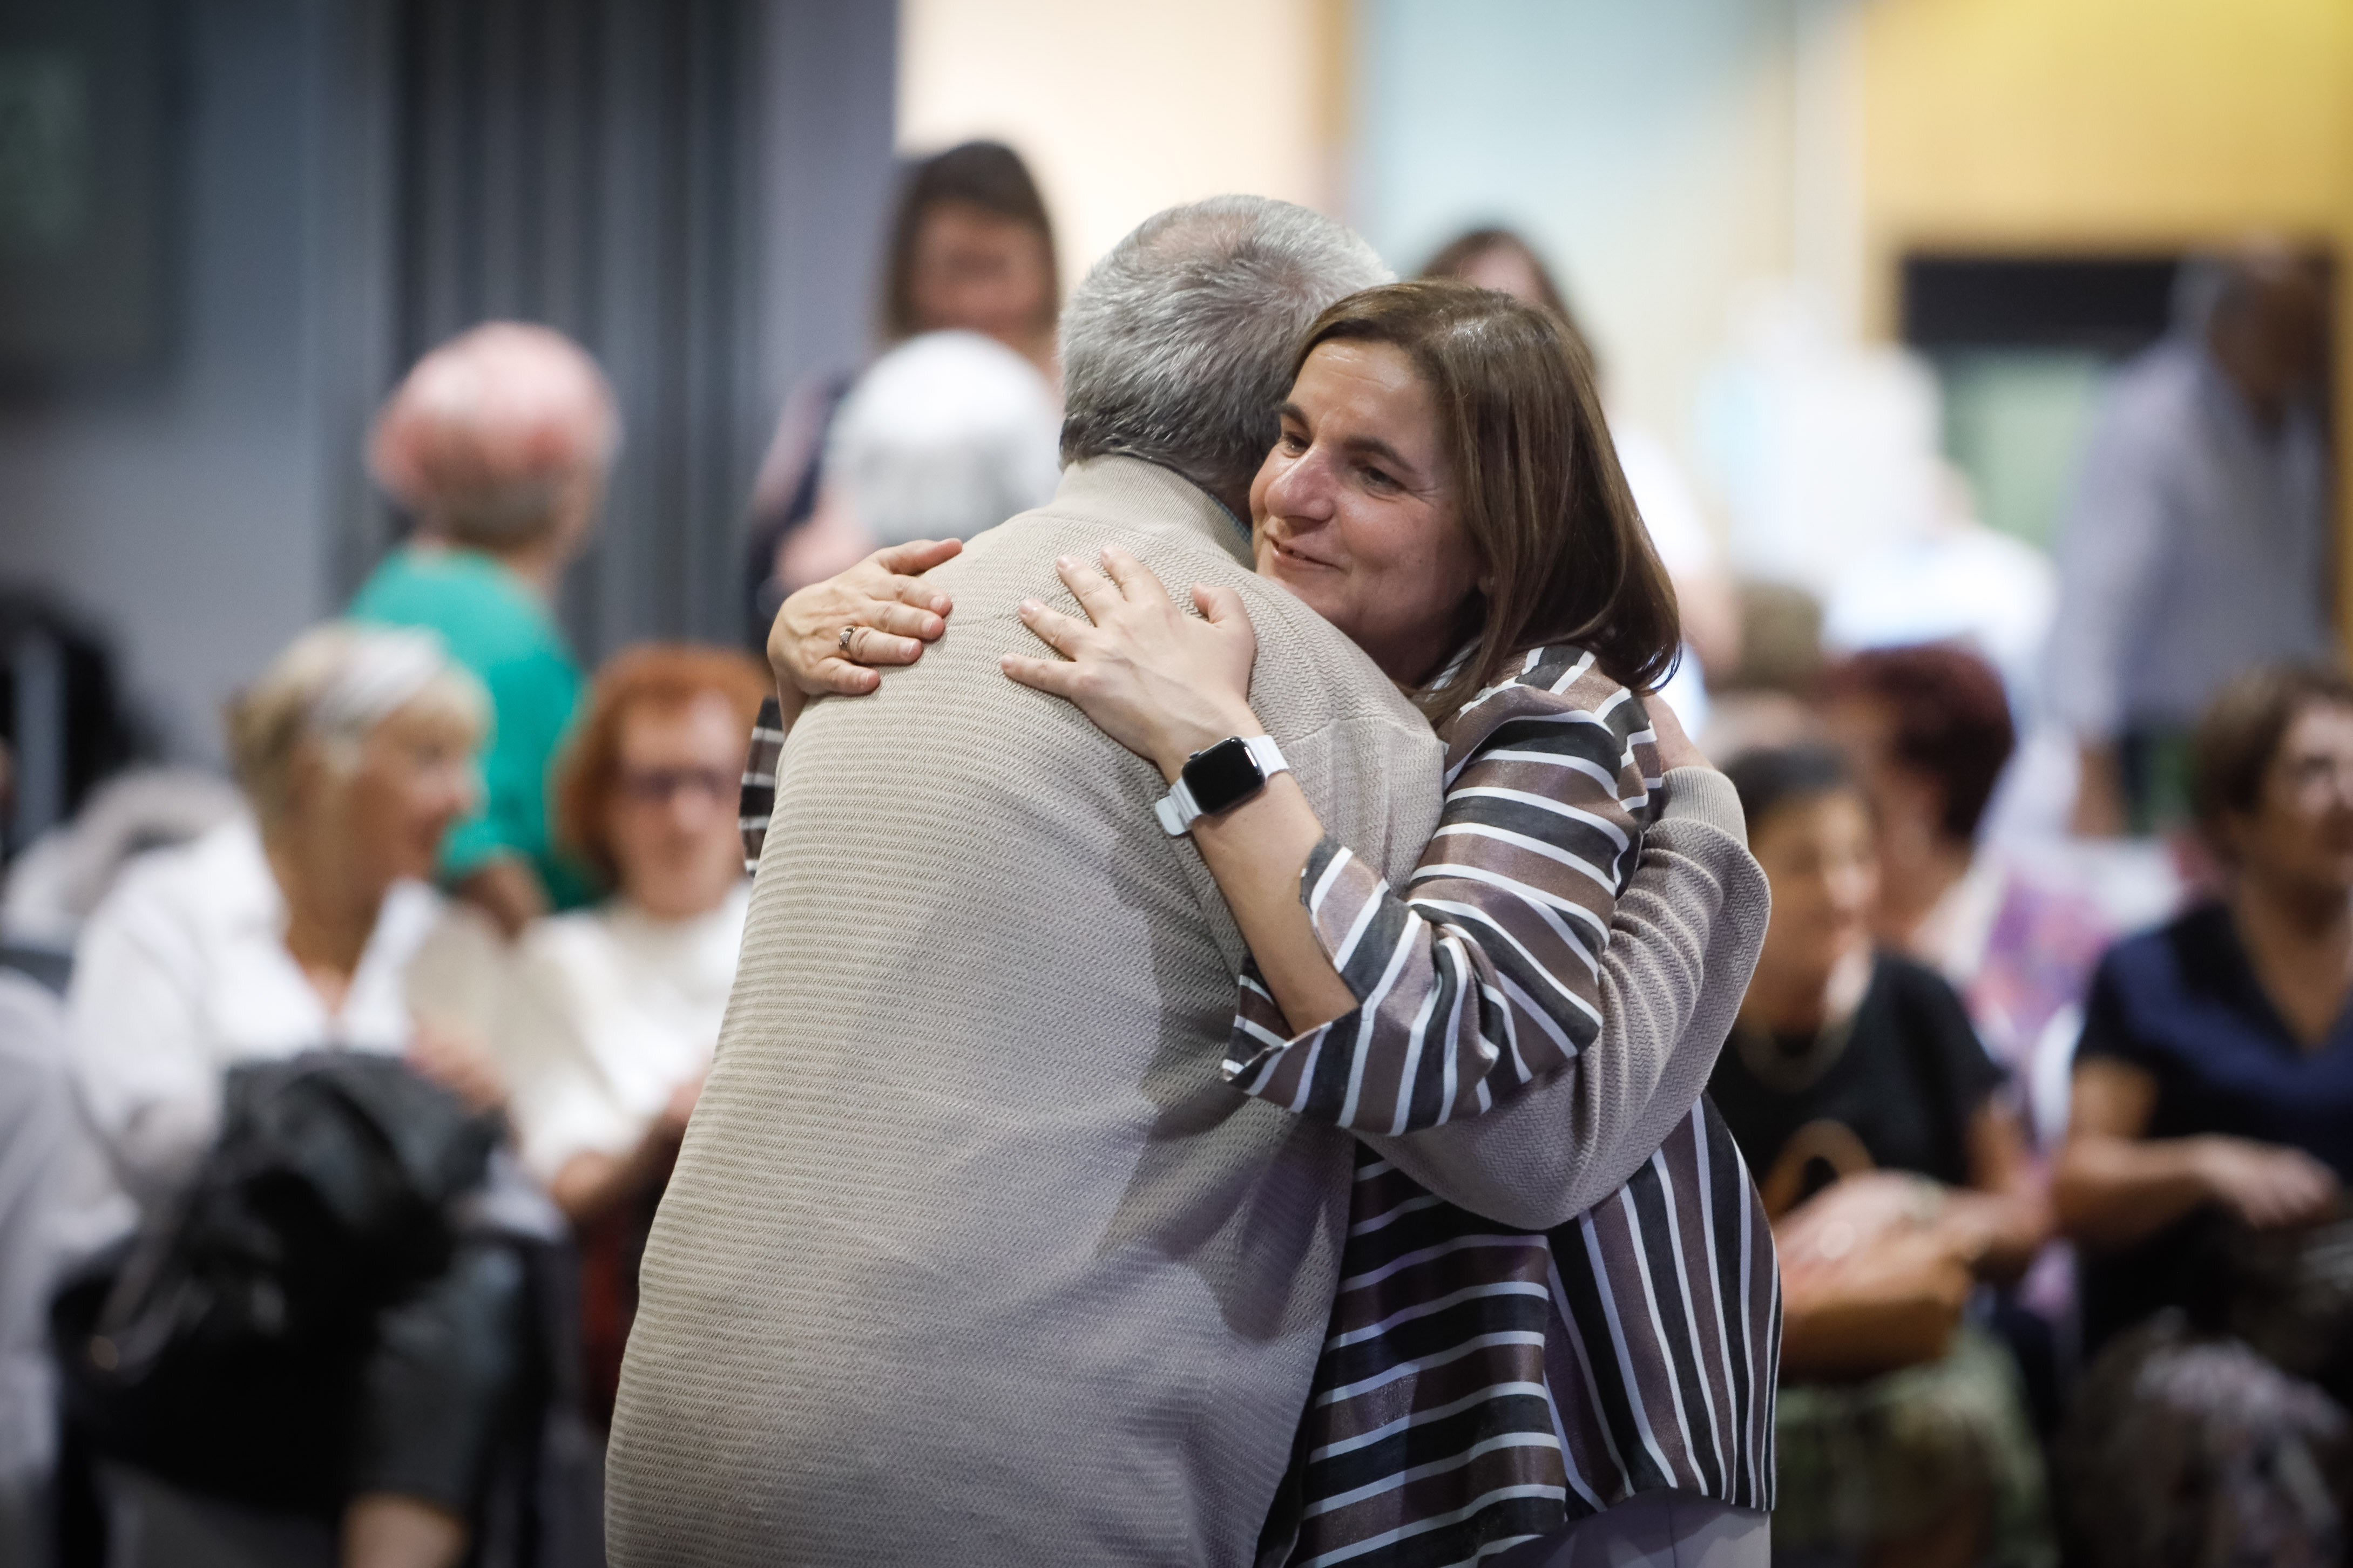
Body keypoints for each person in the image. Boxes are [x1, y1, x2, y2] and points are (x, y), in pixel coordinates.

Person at [612, 198, 1768, 1568]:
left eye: (1376, 468)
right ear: (1252, 428)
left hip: (1592, 1438)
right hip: (1033, 1483)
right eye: (1293, 436)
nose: (1297, 492)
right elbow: (1522, 1138)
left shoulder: (913, 618)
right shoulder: (1283, 690)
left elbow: (1525, 1130)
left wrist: (1697, 806)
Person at [65, 624, 524, 1568]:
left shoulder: (445, 942)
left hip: (375, 1349)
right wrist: (386, 1111)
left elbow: (512, 1189)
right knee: (460, 1298)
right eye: (431, 759)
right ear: (323, 770)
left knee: (474, 1289)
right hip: (202, 1324)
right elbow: (160, 1144)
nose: (465, 797)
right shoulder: (171, 910)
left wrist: (487, 1107)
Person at [1710, 746, 2052, 1568]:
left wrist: (1904, 1199)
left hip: (1910, 1351)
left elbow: (2024, 1224)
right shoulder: (1687, 1024)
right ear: (1732, 873)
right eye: (1803, 864)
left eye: (1857, 857)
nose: (1843, 891)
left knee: (1949, 1421)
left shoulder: (1916, 1000)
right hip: (1748, 1368)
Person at [2052, 664, 2353, 1565]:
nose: (2346, 797)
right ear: (2232, 814)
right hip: (2185, 1341)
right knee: (2243, 1422)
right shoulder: (2153, 976)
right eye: (2310, 772)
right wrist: (2205, 1164)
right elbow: (2076, 1184)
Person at [500, 643, 767, 1422]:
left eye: (711, 783)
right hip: (638, 1294)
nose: (684, 817)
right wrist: (662, 1138)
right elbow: (563, 1179)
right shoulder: (563, 962)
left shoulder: (794, 938)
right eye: (654, 785)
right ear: (603, 804)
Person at [2048, 245, 2336, 837]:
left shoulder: (2297, 433)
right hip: (2171, 735)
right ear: (2221, 323)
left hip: (2278, 730)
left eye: (2307, 329)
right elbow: (2094, 605)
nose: (2300, 347)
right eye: (2283, 326)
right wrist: (2090, 773)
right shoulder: (2151, 421)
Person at [354, 321, 622, 933]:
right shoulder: (503, 633)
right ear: (571, 493)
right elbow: (477, 855)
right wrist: (558, 986)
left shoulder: (392, 589)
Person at [1421, 226, 1741, 705]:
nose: (1493, 354)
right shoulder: (1422, 469)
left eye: (1515, 320)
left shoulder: (1627, 454)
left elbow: (1718, 639)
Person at [746, 140, 1060, 621]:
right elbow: (768, 590)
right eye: (954, 269)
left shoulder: (1093, 419)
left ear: (1043, 272)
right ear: (907, 276)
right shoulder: (828, 410)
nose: (975, 303)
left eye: (998, 268)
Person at [1823, 644, 2109, 1135]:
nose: (1816, 786)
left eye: (1841, 766)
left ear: (1926, 792)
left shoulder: (2063, 933)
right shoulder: (1809, 918)